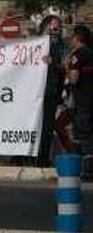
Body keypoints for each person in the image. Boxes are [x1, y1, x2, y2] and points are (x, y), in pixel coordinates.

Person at [40, 15, 69, 163]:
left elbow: (66, 65)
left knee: (47, 128)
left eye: (59, 28)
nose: (56, 32)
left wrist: (54, 63)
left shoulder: (62, 45)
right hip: (33, 93)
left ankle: (42, 159)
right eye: (53, 28)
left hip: (51, 92)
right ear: (45, 28)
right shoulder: (34, 44)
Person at [67, 25, 93, 175]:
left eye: (72, 37)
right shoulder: (91, 53)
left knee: (82, 136)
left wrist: (68, 71)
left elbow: (74, 78)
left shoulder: (77, 55)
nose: (70, 40)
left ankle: (85, 170)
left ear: (77, 38)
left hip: (83, 101)